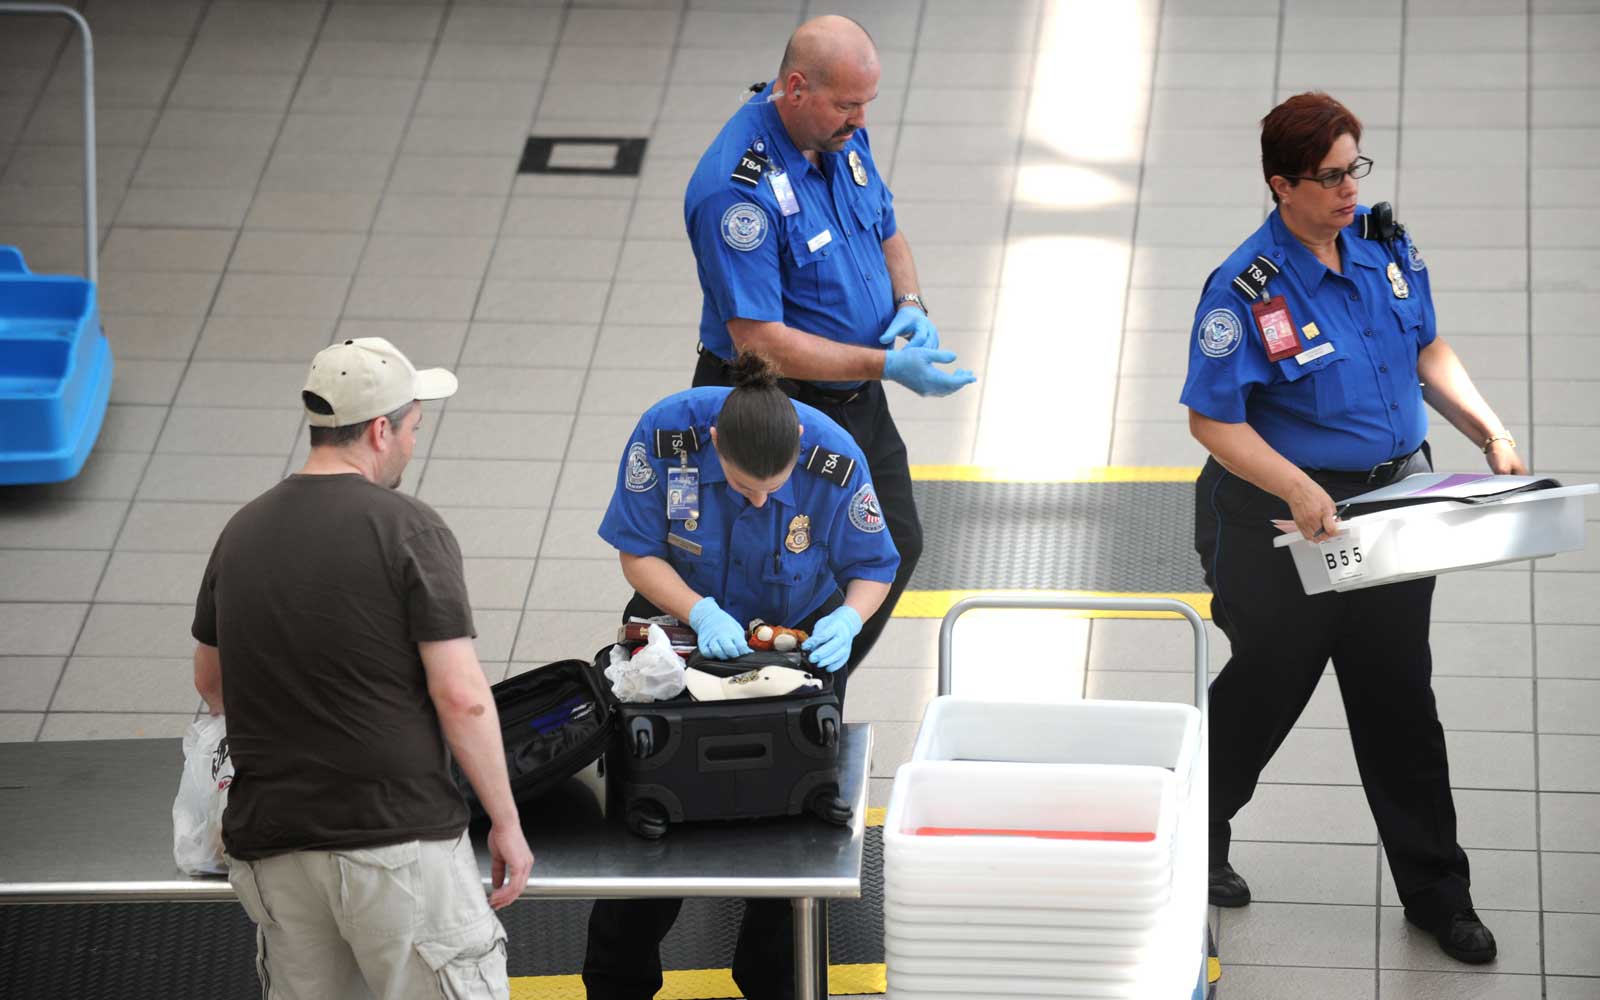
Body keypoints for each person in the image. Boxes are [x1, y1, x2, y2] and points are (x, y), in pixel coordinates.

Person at [1181, 93, 1527, 965]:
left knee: (1400, 699)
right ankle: (1191, 839)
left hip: (1388, 513)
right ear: (1281, 185)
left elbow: (1427, 349)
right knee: (1266, 689)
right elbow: (1213, 421)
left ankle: (1438, 893)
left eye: (1354, 169)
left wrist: (1487, 429)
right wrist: (1297, 487)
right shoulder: (1244, 289)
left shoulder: (1385, 246)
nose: (1348, 190)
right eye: (1330, 176)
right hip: (1278, 518)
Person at [191, 337, 535, 999]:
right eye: (412, 428)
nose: (412, 442)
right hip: (394, 841)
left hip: (275, 845)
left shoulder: (242, 531)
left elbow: (211, 683)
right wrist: (506, 822)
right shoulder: (408, 529)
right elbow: (461, 696)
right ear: (380, 430)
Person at [583, 351, 899, 1000]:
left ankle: (774, 980)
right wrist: (697, 610)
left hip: (792, 643)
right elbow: (638, 552)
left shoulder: (832, 460)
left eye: (772, 491)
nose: (758, 500)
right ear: (718, 442)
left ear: (799, 444)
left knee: (789, 826)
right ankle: (618, 980)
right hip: (677, 629)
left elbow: (875, 565)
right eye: (742, 487)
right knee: (655, 816)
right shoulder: (666, 438)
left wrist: (847, 619)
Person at [683, 14, 975, 678]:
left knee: (892, 540)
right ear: (795, 89)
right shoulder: (738, 192)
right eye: (848, 104)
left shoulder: (837, 134)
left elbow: (888, 229)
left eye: (867, 101)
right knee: (774, 563)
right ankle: (775, 692)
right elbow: (762, 343)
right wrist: (888, 365)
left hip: (853, 397)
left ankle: (811, 685)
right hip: (775, 401)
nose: (862, 120)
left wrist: (910, 306)